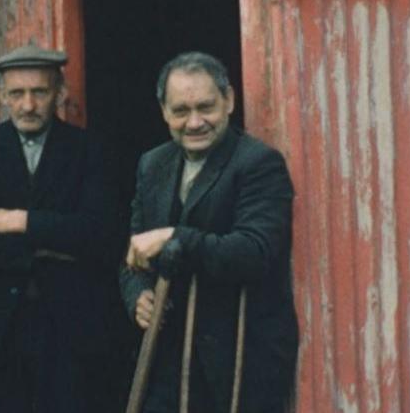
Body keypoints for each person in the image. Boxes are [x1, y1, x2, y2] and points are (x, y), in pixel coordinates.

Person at [0, 44, 125, 413]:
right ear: (1, 95)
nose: (28, 105)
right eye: (17, 93)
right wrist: (50, 244)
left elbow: (101, 234)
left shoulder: (89, 150)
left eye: (39, 92)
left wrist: (19, 221)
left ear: (59, 92)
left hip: (71, 329)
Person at [120, 52, 299, 413]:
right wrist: (137, 295)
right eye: (181, 110)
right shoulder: (152, 164)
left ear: (229, 100)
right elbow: (133, 256)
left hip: (240, 358)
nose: (195, 122)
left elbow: (255, 251)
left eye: (206, 107)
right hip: (168, 358)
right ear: (164, 111)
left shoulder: (258, 163)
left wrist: (175, 238)